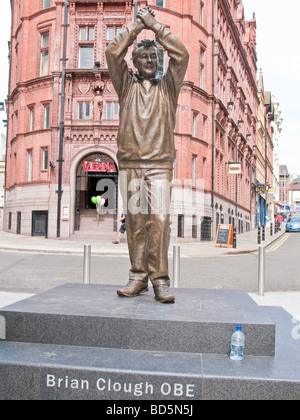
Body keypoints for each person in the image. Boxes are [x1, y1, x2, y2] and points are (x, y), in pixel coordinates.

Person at [106, 6, 189, 303]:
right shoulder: (125, 85)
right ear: (135, 64)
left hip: (159, 165)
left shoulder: (169, 86)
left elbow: (182, 55)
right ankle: (138, 277)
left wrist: (154, 26)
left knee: (160, 222)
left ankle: (160, 281)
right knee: (136, 224)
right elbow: (113, 54)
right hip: (129, 163)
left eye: (154, 57)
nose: (151, 61)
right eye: (144, 58)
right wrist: (134, 27)